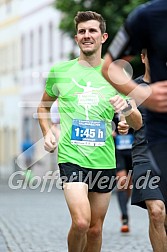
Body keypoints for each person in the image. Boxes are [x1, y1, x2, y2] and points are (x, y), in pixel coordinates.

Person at [37, 11, 142, 252]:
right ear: (76, 38)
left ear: (103, 36)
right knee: (82, 222)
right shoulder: (61, 72)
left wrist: (126, 108)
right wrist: (47, 132)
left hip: (104, 159)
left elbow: (136, 122)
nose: (87, 35)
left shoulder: (117, 74)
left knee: (95, 229)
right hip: (71, 157)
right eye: (82, 31)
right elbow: (43, 107)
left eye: (92, 31)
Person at [109, 47, 167, 250]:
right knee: (157, 212)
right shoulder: (136, 89)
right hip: (145, 157)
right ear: (143, 57)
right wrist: (126, 119)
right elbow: (134, 120)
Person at [113, 112, 133, 233]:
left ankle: (124, 209)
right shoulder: (111, 108)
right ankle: (124, 216)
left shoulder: (131, 105)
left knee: (129, 185)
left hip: (132, 150)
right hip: (117, 151)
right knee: (122, 182)